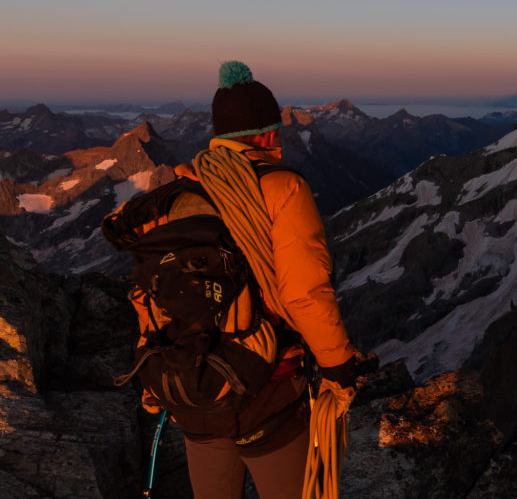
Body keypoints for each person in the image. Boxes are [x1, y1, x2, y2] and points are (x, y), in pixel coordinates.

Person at [142, 61, 359, 498]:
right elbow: (303, 292)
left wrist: (152, 374)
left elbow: (154, 292)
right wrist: (339, 367)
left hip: (194, 387)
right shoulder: (281, 188)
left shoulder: (178, 193)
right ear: (265, 134)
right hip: (267, 386)